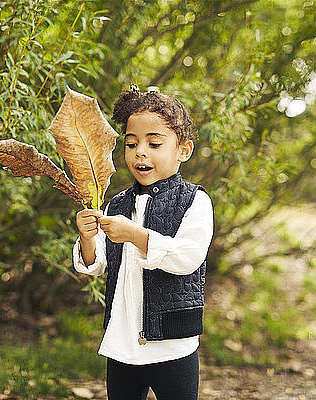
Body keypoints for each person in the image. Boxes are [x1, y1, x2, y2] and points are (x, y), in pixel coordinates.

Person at [73, 85, 213, 400]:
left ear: (183, 150)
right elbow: (97, 265)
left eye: (154, 143)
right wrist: (86, 236)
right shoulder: (118, 204)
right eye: (132, 143)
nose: (140, 152)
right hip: (122, 344)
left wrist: (135, 235)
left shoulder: (195, 201)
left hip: (173, 344)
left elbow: (187, 258)